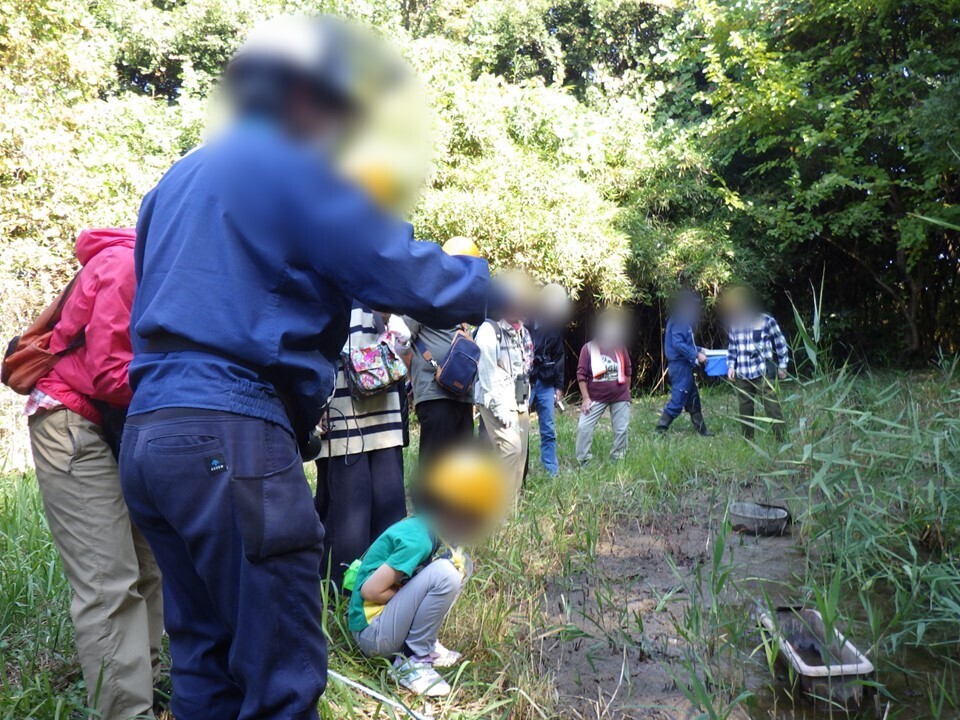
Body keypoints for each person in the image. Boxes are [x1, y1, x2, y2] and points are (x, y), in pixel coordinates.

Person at [119, 17, 495, 720]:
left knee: (205, 659)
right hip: (232, 438)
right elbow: (388, 263)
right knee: (282, 676)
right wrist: (496, 289)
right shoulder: (294, 166)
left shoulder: (171, 184)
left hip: (150, 437)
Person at [25, 228, 163, 720]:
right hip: (70, 421)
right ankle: (125, 712)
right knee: (109, 579)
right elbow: (109, 372)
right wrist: (183, 381)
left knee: (149, 565)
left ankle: (144, 688)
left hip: (112, 426)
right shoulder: (127, 265)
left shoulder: (152, 266)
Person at [350, 447, 505, 697]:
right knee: (446, 573)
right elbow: (370, 590)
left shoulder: (431, 532)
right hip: (371, 634)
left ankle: (425, 643)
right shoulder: (419, 539)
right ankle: (413, 661)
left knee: (460, 562)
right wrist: (409, 598)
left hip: (386, 625)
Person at [315, 302, 407, 587]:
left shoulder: (379, 277)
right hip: (341, 414)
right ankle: (342, 599)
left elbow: (404, 336)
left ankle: (388, 593)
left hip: (383, 406)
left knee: (389, 510)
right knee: (347, 519)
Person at [393, 237, 481, 464]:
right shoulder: (424, 295)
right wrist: (414, 378)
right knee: (435, 463)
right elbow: (401, 339)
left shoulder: (463, 299)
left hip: (462, 396)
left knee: (462, 464)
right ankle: (428, 501)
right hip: (435, 394)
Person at [475, 274, 533, 503]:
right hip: (496, 400)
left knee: (520, 456)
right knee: (509, 450)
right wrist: (498, 407)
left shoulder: (519, 330)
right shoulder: (489, 330)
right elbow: (486, 372)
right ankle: (494, 508)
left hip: (519, 400)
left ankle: (511, 512)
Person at [723, 287, 790, 440]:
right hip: (742, 373)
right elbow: (732, 347)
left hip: (763, 372)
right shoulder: (734, 324)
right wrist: (731, 366)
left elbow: (780, 342)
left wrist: (783, 365)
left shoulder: (766, 320)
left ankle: (782, 439)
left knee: (772, 407)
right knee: (744, 409)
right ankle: (748, 440)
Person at [575, 309, 632, 465]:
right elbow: (581, 375)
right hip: (595, 396)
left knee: (621, 429)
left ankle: (618, 459)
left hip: (620, 395)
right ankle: (583, 461)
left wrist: (626, 393)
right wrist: (586, 398)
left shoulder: (620, 347)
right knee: (583, 427)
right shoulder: (588, 348)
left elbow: (628, 371)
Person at [656, 290, 713, 436]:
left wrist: (701, 350)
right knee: (678, 399)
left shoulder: (683, 321)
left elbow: (686, 344)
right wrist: (696, 354)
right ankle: (659, 431)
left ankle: (703, 431)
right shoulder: (680, 321)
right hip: (679, 366)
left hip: (685, 366)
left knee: (693, 399)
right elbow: (678, 344)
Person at [527, 283, 569, 477]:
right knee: (519, 428)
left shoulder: (554, 327)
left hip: (545, 381)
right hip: (524, 381)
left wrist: (559, 387)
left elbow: (559, 356)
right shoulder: (525, 317)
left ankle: (551, 471)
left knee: (549, 430)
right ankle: (520, 471)